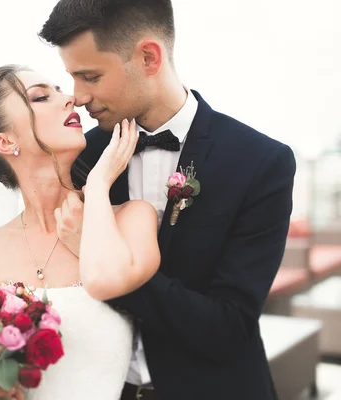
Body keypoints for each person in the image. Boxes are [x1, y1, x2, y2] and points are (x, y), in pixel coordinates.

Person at [25, 0, 293, 399]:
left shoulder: (260, 163)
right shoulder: (80, 156)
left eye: (91, 76)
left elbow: (230, 326)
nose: (78, 97)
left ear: (149, 57)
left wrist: (106, 261)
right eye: (72, 78)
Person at [0, 65, 161, 400]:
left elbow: (118, 282)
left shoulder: (133, 219)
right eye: (42, 97)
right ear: (5, 141)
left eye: (60, 90)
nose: (70, 99)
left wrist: (99, 185)